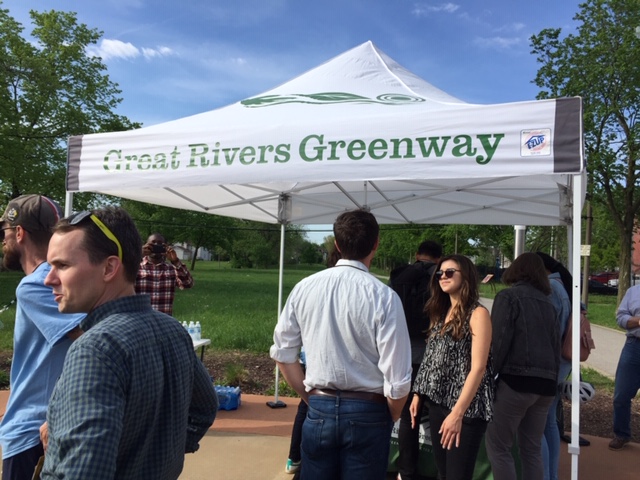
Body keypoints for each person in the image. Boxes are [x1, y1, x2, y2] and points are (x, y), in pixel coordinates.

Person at [41, 207, 218, 479]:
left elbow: (85, 472)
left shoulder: (95, 349)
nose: (48, 279)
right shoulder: (173, 330)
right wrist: (154, 452)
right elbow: (205, 408)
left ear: (110, 267)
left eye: (62, 265)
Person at [270, 209, 412, 480]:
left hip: (320, 406)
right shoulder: (384, 297)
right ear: (376, 244)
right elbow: (398, 378)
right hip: (369, 410)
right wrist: (389, 416)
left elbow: (283, 353)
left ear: (336, 244)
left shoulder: (305, 287)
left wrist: (309, 398)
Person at [0, 194, 83, 480]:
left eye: (5, 233)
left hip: (33, 432)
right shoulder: (69, 279)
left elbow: (87, 340)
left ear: (19, 233)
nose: (4, 241)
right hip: (49, 427)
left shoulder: (36, 285)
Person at [409, 255, 494, 480]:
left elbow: (479, 368)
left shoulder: (478, 314)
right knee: (443, 472)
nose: (442, 277)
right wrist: (418, 393)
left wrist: (457, 413)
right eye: (439, 273)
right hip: (438, 404)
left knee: (457, 474)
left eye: (449, 272)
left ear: (465, 276)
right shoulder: (439, 311)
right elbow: (430, 358)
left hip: (466, 409)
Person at [486, 252, 560, 480]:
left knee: (499, 447)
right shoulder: (549, 304)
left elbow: (498, 341)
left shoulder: (508, 297)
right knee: (532, 449)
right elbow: (555, 347)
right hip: (546, 386)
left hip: (516, 382)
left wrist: (486, 378)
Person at [390, 240, 442, 480]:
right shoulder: (440, 277)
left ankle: (406, 472)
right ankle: (441, 471)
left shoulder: (399, 275)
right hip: (433, 356)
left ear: (417, 254)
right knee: (438, 416)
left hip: (403, 355)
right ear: (438, 258)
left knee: (407, 417)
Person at [536, 252, 572, 480]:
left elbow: (546, 331)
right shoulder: (564, 285)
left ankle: (545, 475)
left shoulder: (550, 288)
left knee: (535, 427)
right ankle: (551, 475)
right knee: (549, 423)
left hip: (547, 366)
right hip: (561, 366)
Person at [608, 284, 640, 451]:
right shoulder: (633, 291)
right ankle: (621, 434)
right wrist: (638, 320)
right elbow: (620, 318)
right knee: (621, 395)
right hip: (634, 346)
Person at [135, 232, 193, 315]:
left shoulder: (172, 268)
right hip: (141, 320)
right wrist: (138, 255)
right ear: (146, 245)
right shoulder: (136, 267)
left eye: (159, 243)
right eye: (153, 243)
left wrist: (175, 261)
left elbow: (188, 284)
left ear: (165, 247)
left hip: (163, 322)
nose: (156, 245)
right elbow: (123, 285)